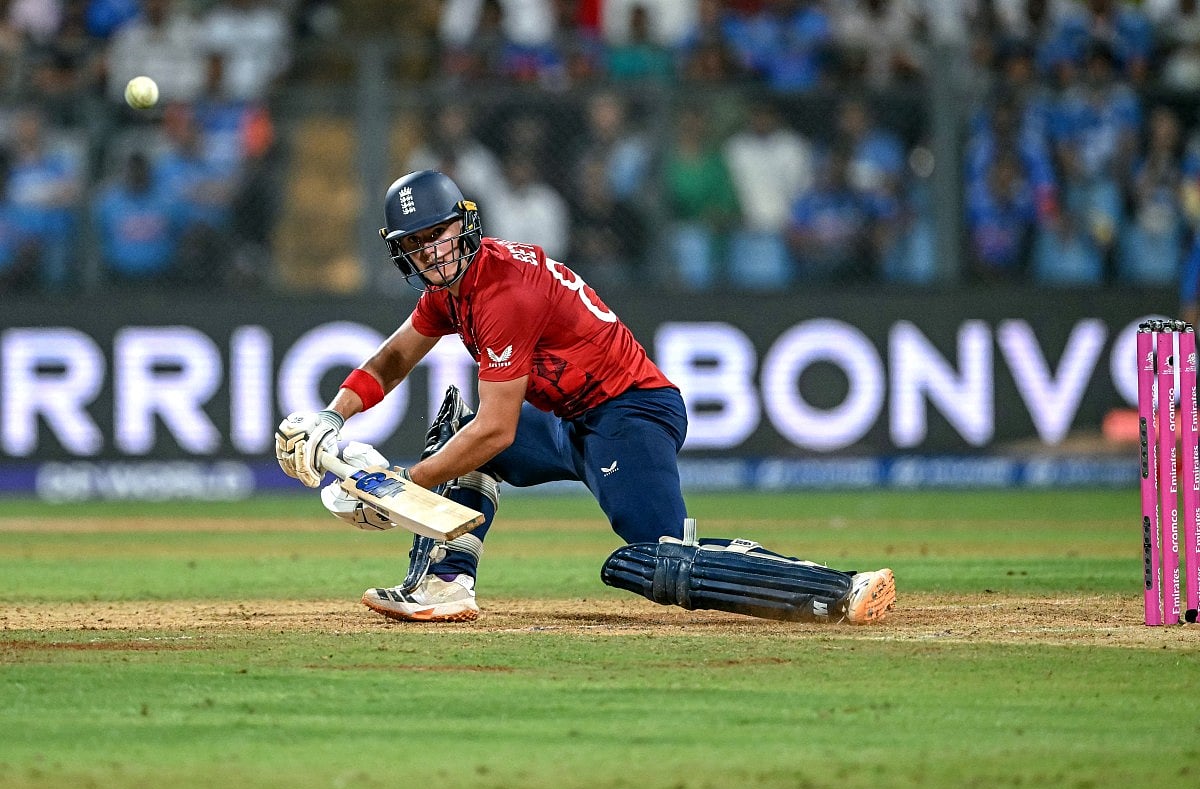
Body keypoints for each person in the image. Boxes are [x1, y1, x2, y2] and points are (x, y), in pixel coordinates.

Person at [274, 170, 896, 626]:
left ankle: (836, 588)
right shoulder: (454, 289)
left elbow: (496, 429)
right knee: (458, 431)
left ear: (464, 226)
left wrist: (403, 487)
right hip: (568, 417)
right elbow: (393, 358)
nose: (430, 253)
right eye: (415, 244)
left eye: (438, 235)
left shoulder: (503, 292)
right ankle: (443, 585)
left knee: (658, 560)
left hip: (629, 412)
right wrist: (333, 415)